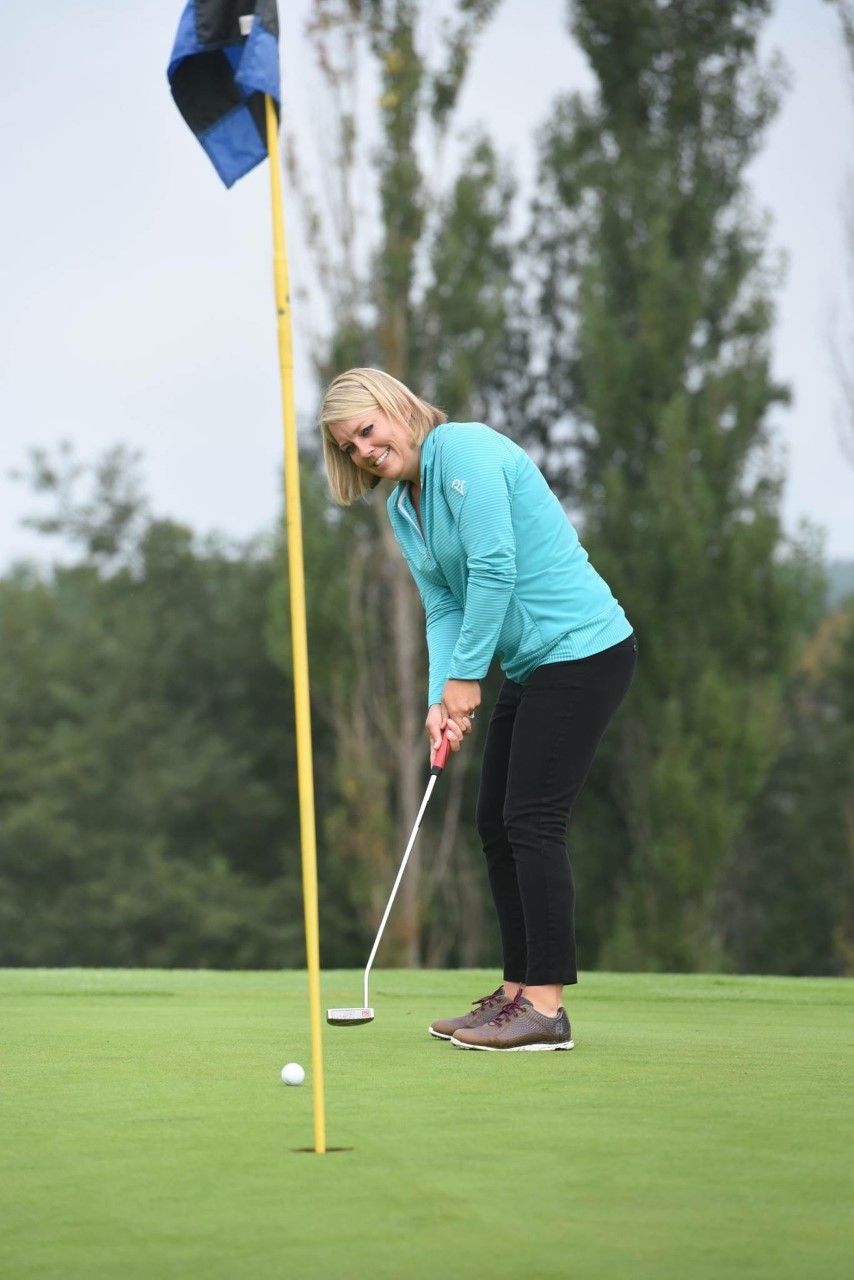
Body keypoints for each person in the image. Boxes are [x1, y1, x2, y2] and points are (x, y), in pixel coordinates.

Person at [319, 368, 637, 1052]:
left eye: (367, 431)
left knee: (532, 819)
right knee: (495, 821)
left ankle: (546, 1010)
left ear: (395, 408)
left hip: (583, 649)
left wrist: (467, 676)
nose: (365, 452)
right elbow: (444, 604)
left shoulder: (463, 450)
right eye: (350, 448)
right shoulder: (403, 508)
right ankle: (517, 993)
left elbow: (495, 567)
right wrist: (443, 696)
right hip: (533, 663)